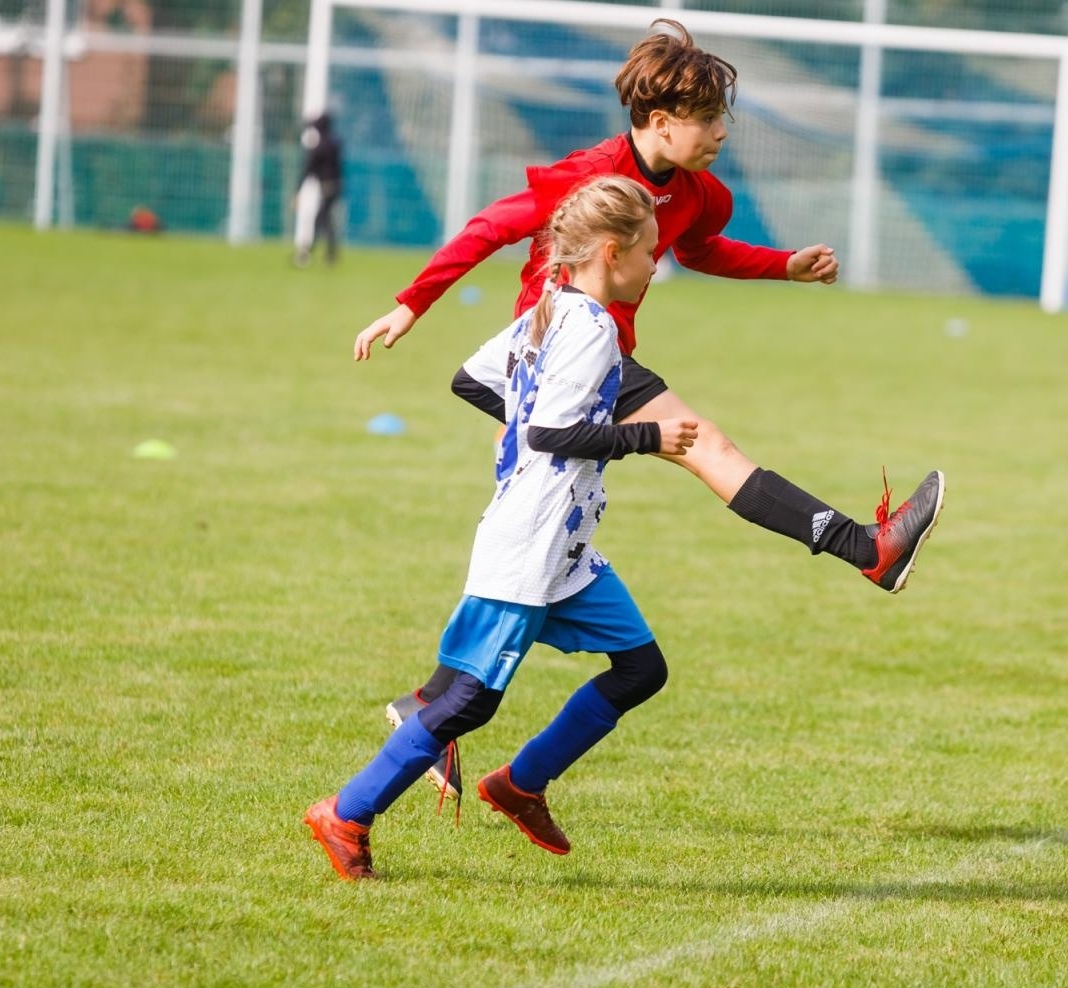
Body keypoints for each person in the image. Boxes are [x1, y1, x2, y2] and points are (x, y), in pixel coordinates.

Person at [353, 19, 942, 594]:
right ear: (661, 123)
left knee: (542, 506)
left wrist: (783, 265)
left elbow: (700, 250)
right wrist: (411, 304)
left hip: (586, 356)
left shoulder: (696, 193)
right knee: (704, 447)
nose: (721, 133)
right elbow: (490, 227)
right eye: (708, 119)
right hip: (564, 345)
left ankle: (523, 582)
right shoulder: (592, 178)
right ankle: (867, 549)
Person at [305, 177, 698, 878]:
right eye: (649, 251)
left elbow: (470, 380)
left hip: (565, 548)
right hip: (529, 545)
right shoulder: (591, 328)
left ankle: (521, 783)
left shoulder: (551, 308)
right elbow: (549, 432)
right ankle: (347, 811)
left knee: (642, 668)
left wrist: (533, 425)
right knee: (469, 700)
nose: (654, 265)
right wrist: (647, 437)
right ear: (612, 253)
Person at [294, 113, 343, 267]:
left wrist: (298, 190)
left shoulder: (320, 147)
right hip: (336, 185)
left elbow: (308, 169)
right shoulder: (335, 144)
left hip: (326, 186)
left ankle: (311, 252)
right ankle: (324, 253)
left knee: (323, 219)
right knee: (324, 219)